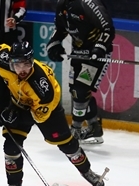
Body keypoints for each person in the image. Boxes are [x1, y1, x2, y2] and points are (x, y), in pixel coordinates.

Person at [0, 40, 105, 186]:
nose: (22, 69)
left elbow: (35, 116)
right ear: (10, 61)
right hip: (18, 102)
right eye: (17, 64)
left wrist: (10, 117)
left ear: (32, 62)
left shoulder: (42, 87)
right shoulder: (3, 59)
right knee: (11, 147)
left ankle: (87, 171)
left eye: (26, 64)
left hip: (48, 112)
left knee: (67, 145)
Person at [46, 0, 114, 144]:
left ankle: (75, 130)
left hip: (96, 56)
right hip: (78, 54)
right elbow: (60, 29)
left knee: (80, 90)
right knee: (76, 91)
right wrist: (53, 45)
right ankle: (93, 127)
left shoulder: (89, 4)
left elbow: (108, 29)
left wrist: (100, 48)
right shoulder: (61, 5)